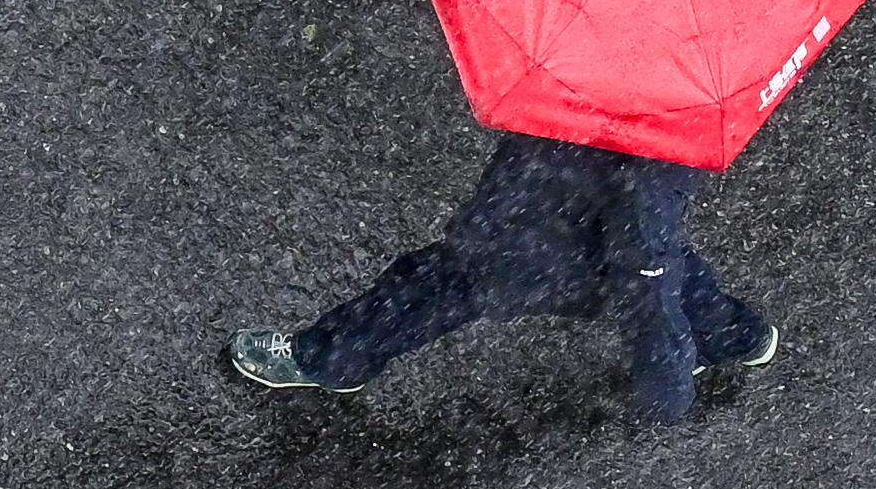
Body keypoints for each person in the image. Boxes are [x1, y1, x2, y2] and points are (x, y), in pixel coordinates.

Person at [229, 133, 777, 422]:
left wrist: (665, 395)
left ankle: (328, 358)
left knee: (424, 289)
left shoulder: (642, 176)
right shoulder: (679, 107)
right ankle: (738, 338)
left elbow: (646, 282)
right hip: (544, 220)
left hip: (534, 248)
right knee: (677, 274)